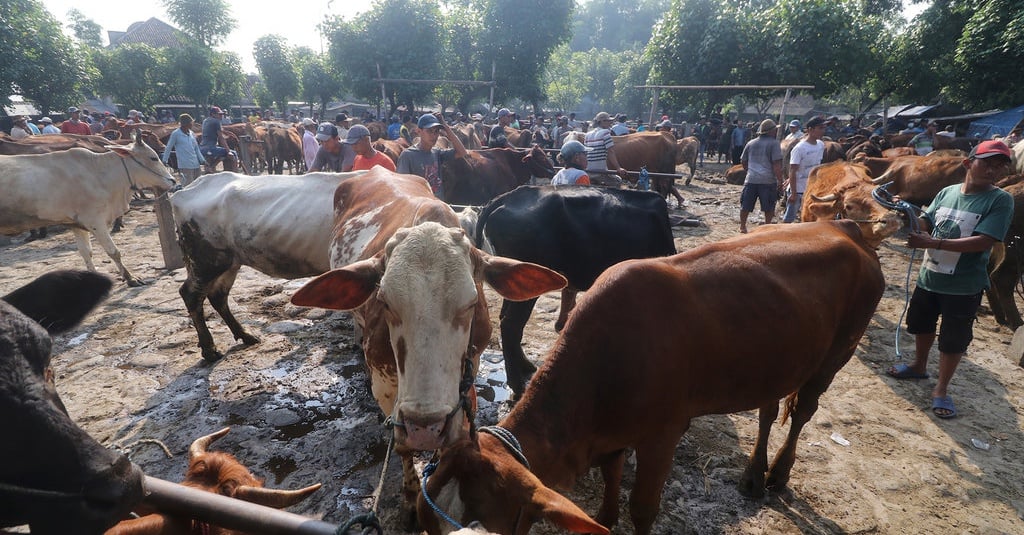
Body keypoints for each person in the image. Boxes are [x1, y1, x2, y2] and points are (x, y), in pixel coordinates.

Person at [887, 140, 1014, 420]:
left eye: (999, 166)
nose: (993, 170)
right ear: (969, 164)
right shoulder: (946, 192)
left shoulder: (1000, 200)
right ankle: (919, 366)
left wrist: (933, 242)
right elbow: (926, 223)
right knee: (921, 325)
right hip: (929, 275)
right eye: (987, 163)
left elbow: (984, 241)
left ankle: (941, 389)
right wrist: (907, 213)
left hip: (963, 285)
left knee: (953, 339)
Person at [396, 112, 468, 200]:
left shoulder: (437, 153)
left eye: (436, 131)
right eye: (429, 131)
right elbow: (401, 187)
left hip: (437, 204)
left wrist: (446, 127)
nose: (434, 135)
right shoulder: (408, 155)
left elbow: (462, 152)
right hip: (419, 207)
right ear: (419, 131)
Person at [738, 119, 784, 233]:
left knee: (745, 205)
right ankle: (767, 227)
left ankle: (742, 226)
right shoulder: (774, 143)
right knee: (768, 207)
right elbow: (776, 165)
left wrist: (749, 171)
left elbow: (743, 161)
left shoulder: (751, 143)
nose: (776, 131)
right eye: (775, 129)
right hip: (768, 181)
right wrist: (780, 181)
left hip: (751, 179)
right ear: (771, 131)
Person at [783, 115, 826, 223]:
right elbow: (792, 171)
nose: (823, 131)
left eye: (823, 128)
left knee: (809, 217)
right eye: (820, 128)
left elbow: (818, 166)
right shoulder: (799, 148)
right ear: (810, 129)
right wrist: (793, 193)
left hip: (812, 188)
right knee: (789, 218)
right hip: (798, 189)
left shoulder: (820, 145)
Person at [584, 111, 627, 186]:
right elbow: (611, 151)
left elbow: (585, 153)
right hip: (600, 172)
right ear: (602, 121)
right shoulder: (605, 132)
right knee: (618, 181)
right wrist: (618, 168)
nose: (610, 123)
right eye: (609, 121)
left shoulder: (587, 135)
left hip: (588, 171)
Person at [163, 113, 206, 186]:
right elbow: (168, 147)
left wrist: (202, 160)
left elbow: (196, 148)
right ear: (186, 124)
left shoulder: (192, 133)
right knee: (187, 186)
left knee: (198, 186)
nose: (192, 124)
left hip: (196, 164)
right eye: (191, 123)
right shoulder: (176, 134)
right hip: (185, 165)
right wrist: (164, 160)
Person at [200, 106, 238, 171]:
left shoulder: (205, 121)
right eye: (219, 114)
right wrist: (228, 151)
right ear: (213, 114)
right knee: (233, 153)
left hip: (202, 148)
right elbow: (221, 137)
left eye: (221, 114)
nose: (221, 116)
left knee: (221, 153)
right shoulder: (216, 122)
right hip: (211, 148)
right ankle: (236, 173)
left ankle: (211, 166)